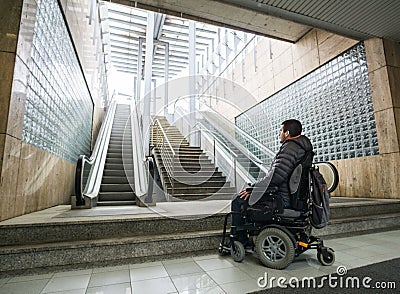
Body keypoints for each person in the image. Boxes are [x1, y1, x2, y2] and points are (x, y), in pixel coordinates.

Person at [231, 119, 313, 244]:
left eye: (281, 130)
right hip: (294, 197)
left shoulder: (290, 148)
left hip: (282, 199)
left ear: (287, 133)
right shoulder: (302, 148)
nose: (279, 133)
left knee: (238, 199)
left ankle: (238, 240)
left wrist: (253, 189)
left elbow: (276, 177)